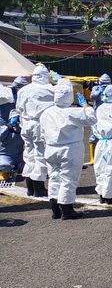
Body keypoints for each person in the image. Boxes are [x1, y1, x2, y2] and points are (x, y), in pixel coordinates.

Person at [39, 79, 97, 220]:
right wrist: (86, 106)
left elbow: (41, 133)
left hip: (51, 148)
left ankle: (55, 208)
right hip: (69, 148)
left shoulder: (46, 113)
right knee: (68, 179)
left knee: (54, 177)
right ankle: (67, 209)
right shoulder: (72, 112)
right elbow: (92, 119)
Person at [16, 64, 55, 197]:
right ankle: (39, 189)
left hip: (26, 123)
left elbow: (18, 108)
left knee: (28, 155)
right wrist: (60, 81)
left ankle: (30, 188)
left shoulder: (23, 90)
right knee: (40, 156)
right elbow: (63, 98)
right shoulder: (49, 89)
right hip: (39, 125)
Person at [0, 109, 23, 178]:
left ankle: (15, 168)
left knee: (30, 168)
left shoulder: (24, 129)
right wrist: (8, 128)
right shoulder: (5, 128)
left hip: (19, 156)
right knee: (4, 166)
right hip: (5, 156)